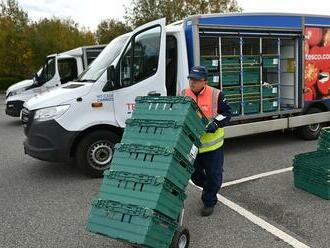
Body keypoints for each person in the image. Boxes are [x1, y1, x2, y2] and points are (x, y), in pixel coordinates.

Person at [181, 66, 231, 217]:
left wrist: (215, 123)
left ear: (205, 81)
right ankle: (210, 188)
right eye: (191, 79)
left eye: (196, 80)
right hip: (193, 145)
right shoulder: (183, 94)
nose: (192, 83)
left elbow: (227, 113)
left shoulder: (216, 94)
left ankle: (209, 201)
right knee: (195, 175)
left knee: (214, 175)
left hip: (213, 146)